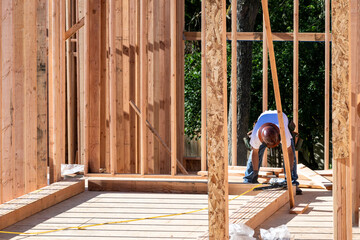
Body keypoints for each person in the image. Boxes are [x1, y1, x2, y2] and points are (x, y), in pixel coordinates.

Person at [243, 110, 302, 194]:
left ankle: (292, 182)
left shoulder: (283, 133)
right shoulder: (256, 136)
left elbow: (289, 153)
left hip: (281, 117)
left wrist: (290, 171)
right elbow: (255, 154)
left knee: (291, 150)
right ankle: (250, 180)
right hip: (263, 118)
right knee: (254, 151)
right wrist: (255, 173)